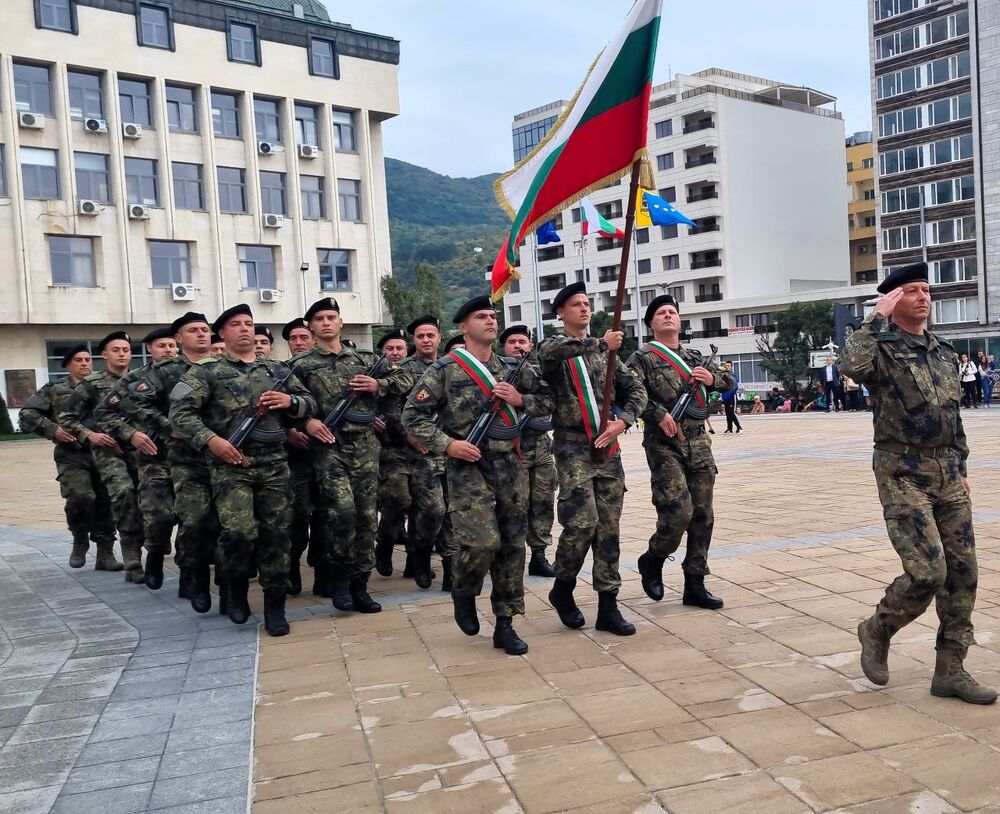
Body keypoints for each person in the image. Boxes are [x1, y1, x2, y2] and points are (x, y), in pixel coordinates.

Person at [844, 262, 994, 705]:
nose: (923, 297)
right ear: (893, 301)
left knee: (963, 574)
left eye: (926, 290)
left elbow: (953, 415)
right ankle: (877, 628)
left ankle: (951, 670)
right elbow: (851, 365)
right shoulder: (880, 347)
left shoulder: (943, 350)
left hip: (947, 472)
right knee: (929, 572)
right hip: (901, 471)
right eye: (911, 291)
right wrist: (875, 318)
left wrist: (962, 467)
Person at [402, 296, 552, 653]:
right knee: (483, 542)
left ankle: (505, 622)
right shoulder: (445, 369)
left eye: (492, 316)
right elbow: (412, 416)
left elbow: (549, 401)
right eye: (481, 317)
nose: (490, 321)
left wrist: (521, 400)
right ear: (463, 327)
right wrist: (448, 445)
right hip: (469, 466)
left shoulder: (513, 368)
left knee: (513, 546)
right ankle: (464, 589)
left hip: (512, 466)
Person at [170, 304, 317, 636]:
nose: (244, 329)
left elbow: (310, 402)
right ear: (221, 333)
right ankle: (235, 592)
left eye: (249, 324)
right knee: (238, 534)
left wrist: (291, 403)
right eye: (235, 324)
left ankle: (275, 605)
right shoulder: (205, 371)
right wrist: (211, 440)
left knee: (278, 535)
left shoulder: (277, 370)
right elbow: (179, 413)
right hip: (230, 465)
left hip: (274, 465)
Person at [537, 282, 647, 636]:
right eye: (575, 305)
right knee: (581, 523)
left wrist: (623, 420)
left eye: (587, 304)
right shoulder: (557, 347)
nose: (584, 309)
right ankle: (563, 586)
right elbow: (553, 354)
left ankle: (608, 606)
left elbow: (637, 390)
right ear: (561, 313)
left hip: (607, 449)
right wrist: (602, 342)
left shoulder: (607, 355)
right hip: (572, 446)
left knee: (608, 529)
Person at [294, 298, 413, 614]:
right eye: (319, 318)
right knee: (342, 512)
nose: (326, 323)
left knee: (364, 516)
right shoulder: (301, 365)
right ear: (311, 326)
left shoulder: (363, 359)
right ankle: (340, 578)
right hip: (329, 446)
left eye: (331, 317)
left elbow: (406, 379)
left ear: (340, 322)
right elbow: (291, 404)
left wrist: (378, 384)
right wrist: (306, 421)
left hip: (364, 446)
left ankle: (361, 584)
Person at [628, 294, 734, 611]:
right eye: (661, 313)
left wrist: (712, 378)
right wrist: (658, 414)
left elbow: (727, 379)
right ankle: (653, 558)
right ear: (651, 323)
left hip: (698, 442)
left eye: (673, 312)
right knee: (679, 512)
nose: (668, 316)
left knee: (703, 515)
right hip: (664, 444)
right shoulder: (641, 358)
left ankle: (695, 583)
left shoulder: (694, 355)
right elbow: (632, 393)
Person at [119, 312, 220, 612]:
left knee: (202, 524)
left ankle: (190, 575)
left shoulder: (222, 367)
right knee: (165, 517)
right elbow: (131, 404)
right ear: (179, 338)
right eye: (193, 330)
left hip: (214, 457)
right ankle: (155, 552)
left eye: (205, 330)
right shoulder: (170, 373)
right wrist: (156, 428)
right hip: (169, 457)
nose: (202, 335)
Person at [18, 346, 120, 570]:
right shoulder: (56, 388)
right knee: (80, 496)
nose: (85, 363)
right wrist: (53, 429)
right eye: (78, 360)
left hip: (105, 453)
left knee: (106, 502)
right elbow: (27, 413)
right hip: (72, 453)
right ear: (68, 364)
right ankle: (80, 536)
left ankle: (105, 552)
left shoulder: (104, 385)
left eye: (87, 359)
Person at [59, 331, 147, 583]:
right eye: (116, 349)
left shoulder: (141, 381)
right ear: (105, 354)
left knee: (145, 499)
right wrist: (89, 435)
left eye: (126, 350)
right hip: (108, 450)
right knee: (124, 492)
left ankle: (142, 550)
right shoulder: (92, 383)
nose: (122, 354)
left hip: (138, 450)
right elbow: (67, 417)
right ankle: (131, 554)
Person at [97, 327, 179, 591]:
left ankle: (191, 573)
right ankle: (153, 553)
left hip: (190, 457)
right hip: (153, 457)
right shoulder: (135, 379)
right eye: (161, 346)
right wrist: (131, 434)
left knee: (194, 519)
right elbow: (104, 412)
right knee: (159, 517)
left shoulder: (192, 374)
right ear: (149, 350)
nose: (168, 350)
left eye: (171, 345)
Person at [374, 315, 449, 589]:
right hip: (398, 449)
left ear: (439, 337)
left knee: (433, 509)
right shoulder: (402, 370)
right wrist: (410, 435)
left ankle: (419, 557)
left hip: (431, 451)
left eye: (431, 335)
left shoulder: (449, 367)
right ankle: (384, 542)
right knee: (396, 501)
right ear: (413, 340)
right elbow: (390, 408)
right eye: (420, 336)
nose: (426, 340)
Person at [501, 324, 556, 578]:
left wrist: (523, 402)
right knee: (516, 504)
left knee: (543, 502)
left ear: (530, 346)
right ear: (503, 346)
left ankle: (539, 554)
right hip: (513, 447)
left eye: (522, 341)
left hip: (541, 447)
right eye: (512, 342)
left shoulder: (538, 373)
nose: (518, 346)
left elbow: (550, 402)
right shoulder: (497, 372)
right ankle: (510, 555)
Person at [281, 317, 318, 595]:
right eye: (293, 339)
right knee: (298, 514)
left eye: (303, 337)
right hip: (297, 455)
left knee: (329, 515)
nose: (299, 343)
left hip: (330, 449)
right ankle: (292, 563)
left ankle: (324, 570)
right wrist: (289, 431)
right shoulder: (281, 371)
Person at [720, 364, 742, 433]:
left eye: (729, 366)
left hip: (732, 397)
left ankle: (739, 427)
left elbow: (735, 387)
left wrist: (730, 394)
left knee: (732, 412)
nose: (727, 367)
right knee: (727, 413)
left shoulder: (733, 376)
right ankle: (729, 428)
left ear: (731, 367)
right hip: (725, 397)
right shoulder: (723, 376)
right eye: (726, 366)